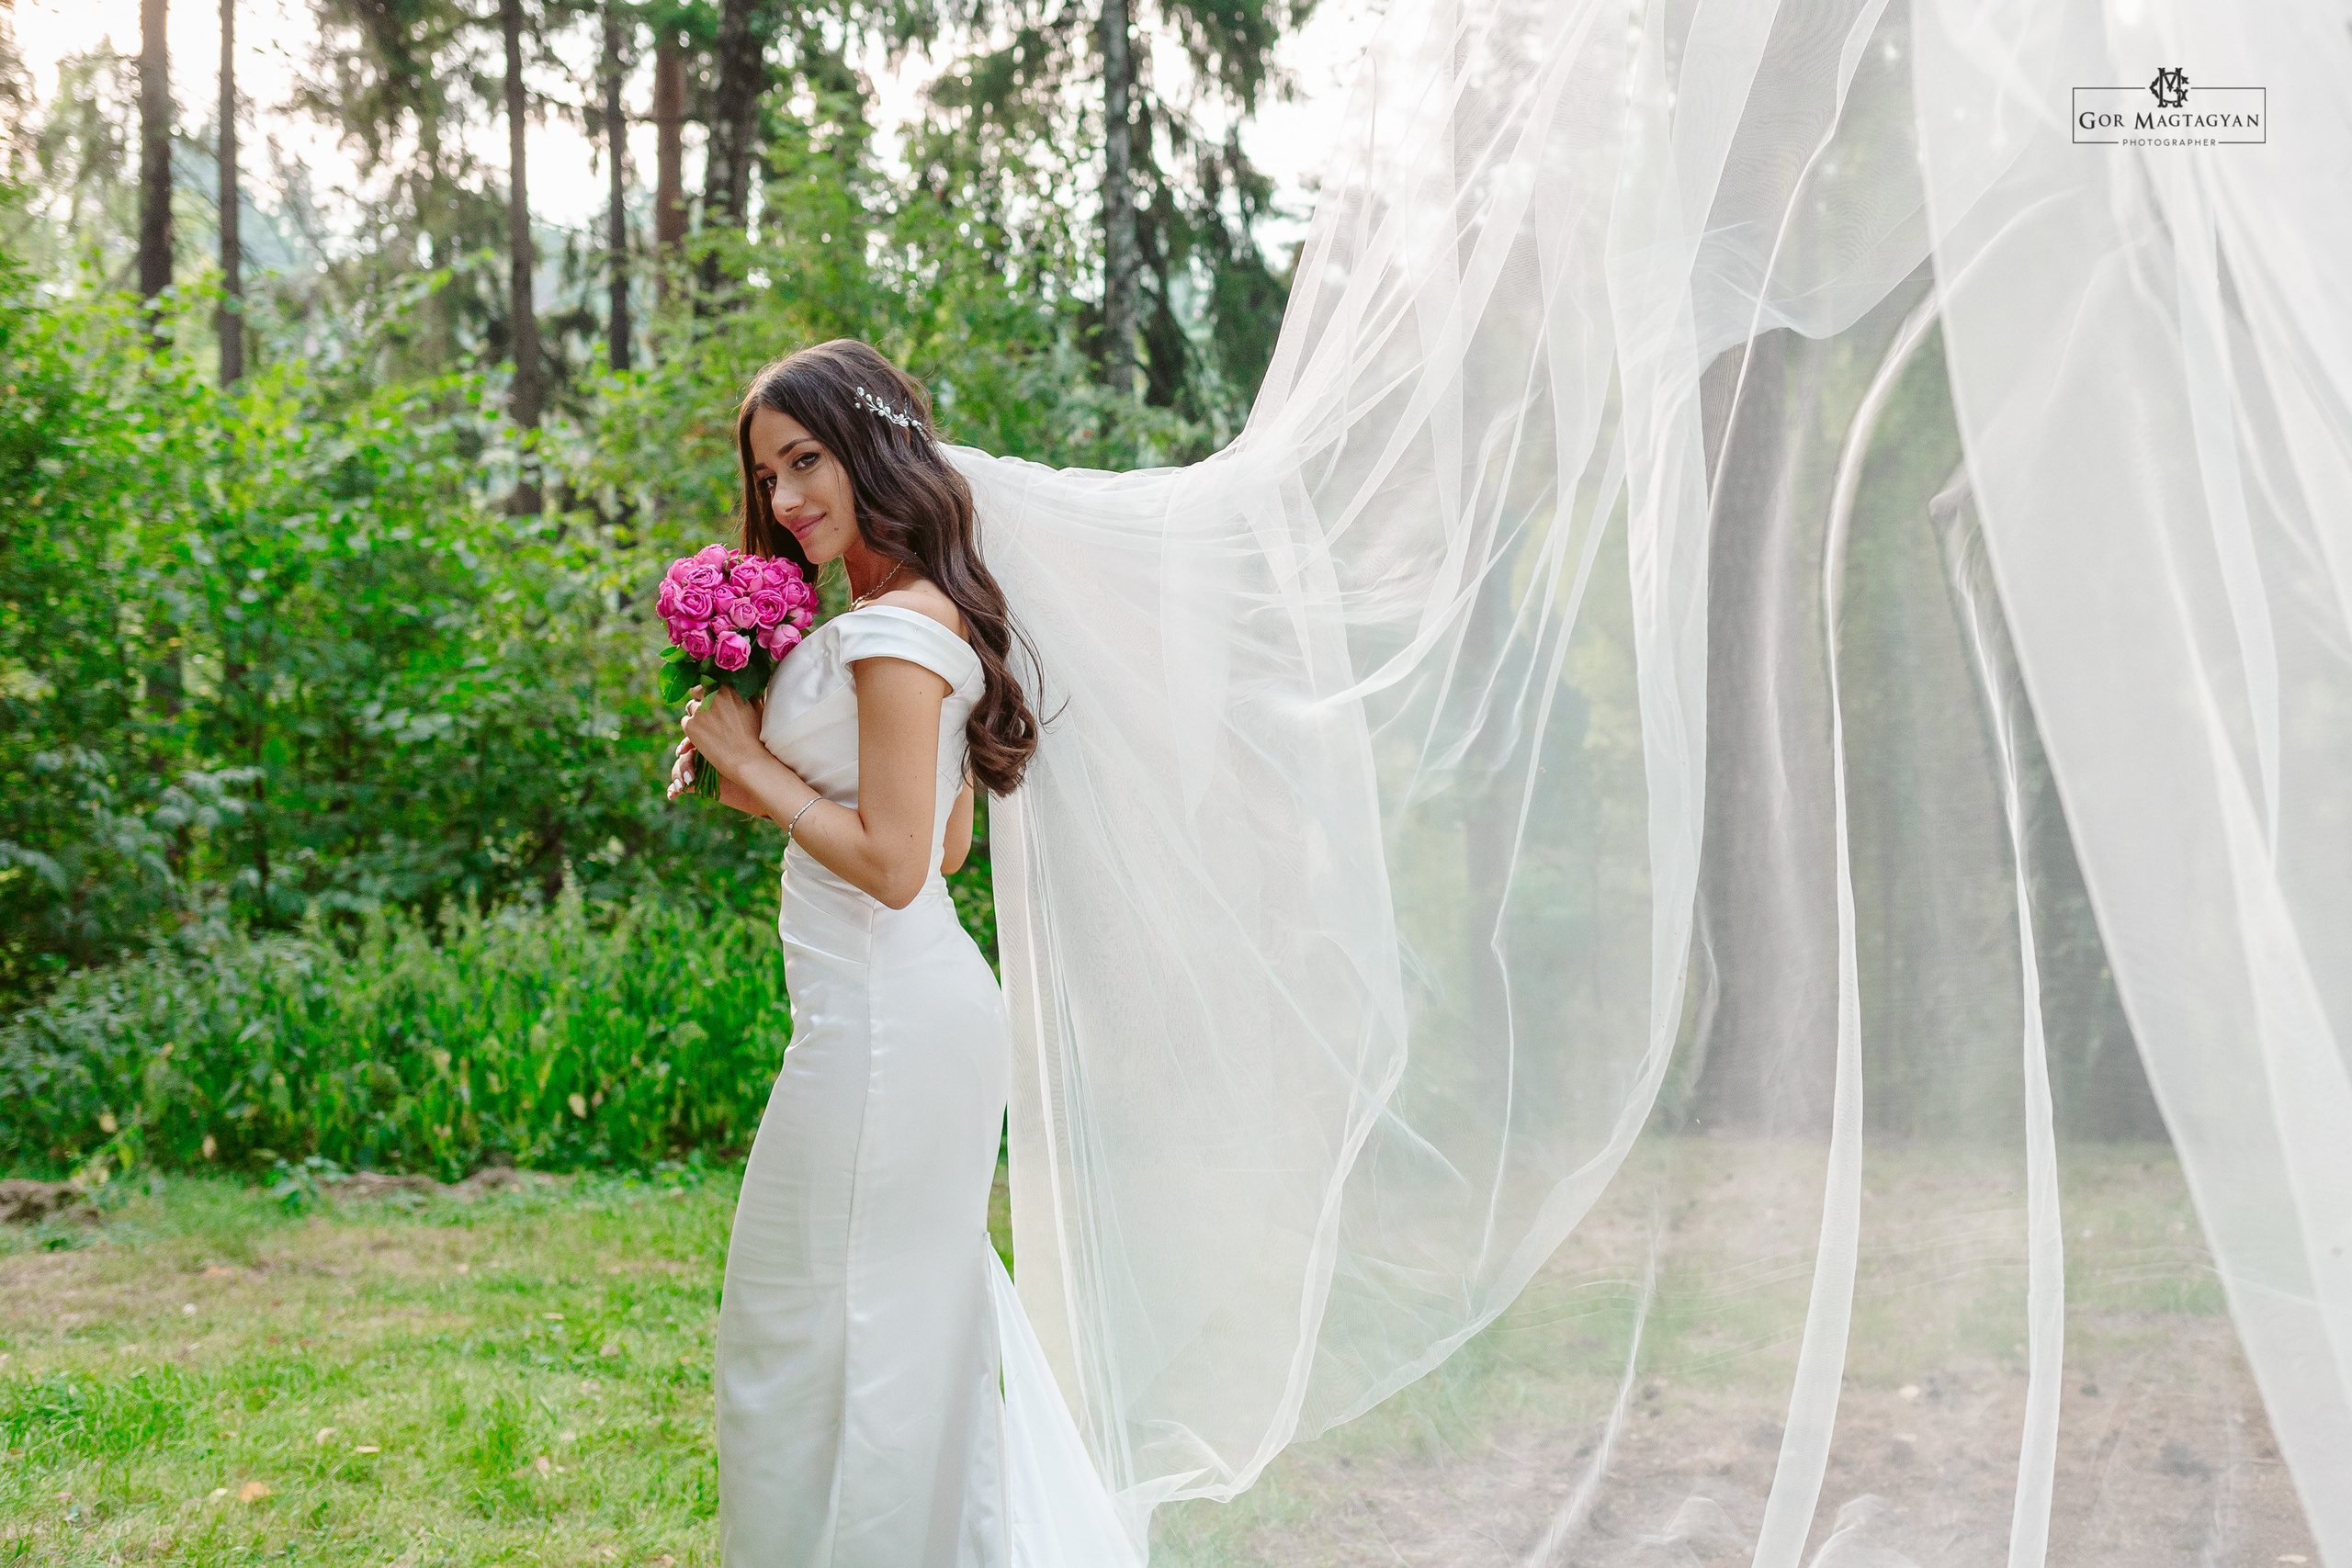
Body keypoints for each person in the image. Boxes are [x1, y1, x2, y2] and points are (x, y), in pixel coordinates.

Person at [670, 340, 1127, 1567]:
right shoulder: (908, 619)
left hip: (886, 1026)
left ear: (873, 448)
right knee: (891, 1325)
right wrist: (757, 750)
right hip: (902, 1017)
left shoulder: (892, 633)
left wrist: (754, 764)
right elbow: (951, 837)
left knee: (814, 1328)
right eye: (767, 476)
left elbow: (895, 865)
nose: (785, 499)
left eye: (806, 460)